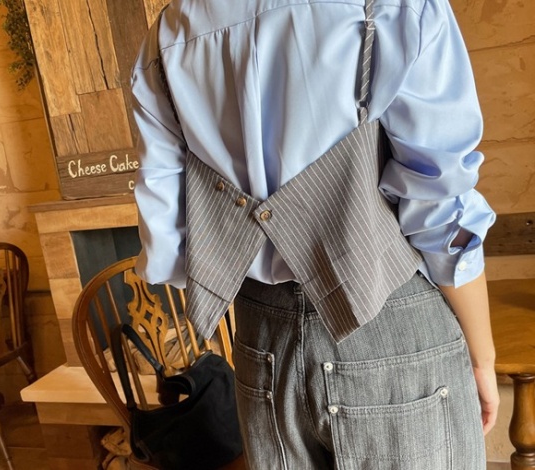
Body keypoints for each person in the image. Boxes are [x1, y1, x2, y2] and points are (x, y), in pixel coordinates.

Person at [130, 0, 499, 468]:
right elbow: (440, 207)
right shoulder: (390, 7)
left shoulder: (163, 40)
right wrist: (482, 357)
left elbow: (167, 246)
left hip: (262, 339)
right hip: (387, 322)